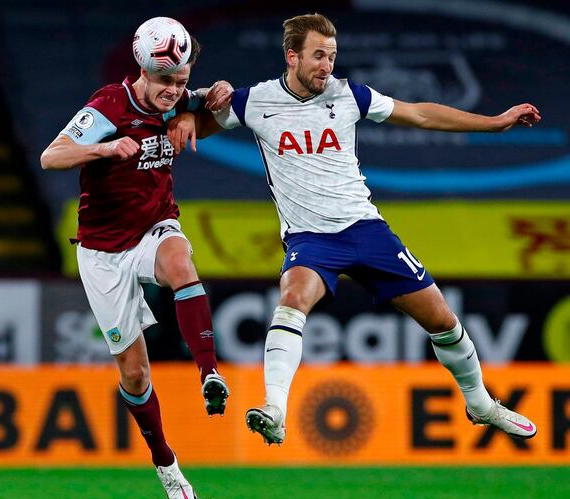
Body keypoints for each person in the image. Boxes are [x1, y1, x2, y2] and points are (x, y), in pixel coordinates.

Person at [169, 13, 539, 446]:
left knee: (442, 320)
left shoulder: (349, 96)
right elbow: (192, 112)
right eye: (318, 56)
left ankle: (480, 404)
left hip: (366, 230)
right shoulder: (257, 102)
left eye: (332, 56)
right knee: (291, 301)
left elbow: (419, 114)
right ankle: (274, 409)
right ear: (292, 56)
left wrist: (495, 122)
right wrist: (190, 116)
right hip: (309, 239)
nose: (327, 65)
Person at [40, 21, 233, 499]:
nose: (172, 90)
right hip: (103, 252)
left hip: (154, 228)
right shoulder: (108, 105)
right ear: (141, 70)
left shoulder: (183, 98)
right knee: (134, 371)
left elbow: (221, 101)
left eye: (180, 80)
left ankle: (210, 373)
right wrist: (104, 148)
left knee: (181, 262)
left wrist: (208, 104)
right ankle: (166, 462)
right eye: (163, 80)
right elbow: (51, 156)